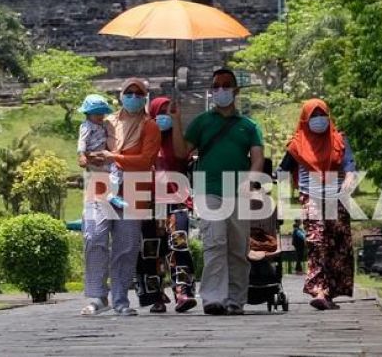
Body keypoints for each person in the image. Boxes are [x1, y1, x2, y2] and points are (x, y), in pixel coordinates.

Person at [172, 68, 264, 315]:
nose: (220, 90)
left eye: (226, 85)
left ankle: (235, 299)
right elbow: (182, 152)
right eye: (216, 86)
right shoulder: (202, 122)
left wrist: (252, 181)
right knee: (215, 243)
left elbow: (257, 157)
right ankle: (214, 298)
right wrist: (176, 121)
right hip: (208, 189)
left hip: (239, 191)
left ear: (236, 90)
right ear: (211, 91)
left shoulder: (249, 125)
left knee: (237, 247)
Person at [80, 77, 161, 317]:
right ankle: (97, 296)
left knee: (126, 246)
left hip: (134, 188)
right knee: (94, 236)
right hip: (102, 183)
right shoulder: (107, 121)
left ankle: (120, 299)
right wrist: (88, 157)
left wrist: (113, 157)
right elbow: (91, 146)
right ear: (121, 95)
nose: (133, 97)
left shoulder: (150, 126)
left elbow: (146, 159)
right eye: (129, 92)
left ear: (145, 97)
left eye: (139, 93)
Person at [279, 98, 358, 311]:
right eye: (313, 115)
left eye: (321, 114)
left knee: (336, 244)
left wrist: (349, 180)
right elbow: (282, 171)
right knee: (317, 240)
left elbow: (350, 164)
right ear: (304, 118)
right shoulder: (296, 145)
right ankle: (319, 290)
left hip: (336, 196)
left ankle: (330, 292)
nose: (318, 119)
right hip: (310, 195)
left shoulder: (339, 139)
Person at [134, 95, 198, 313]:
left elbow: (183, 154)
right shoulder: (144, 137)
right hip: (151, 202)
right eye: (160, 113)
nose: (164, 117)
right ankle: (156, 296)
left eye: (168, 112)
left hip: (177, 199)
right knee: (151, 251)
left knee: (178, 244)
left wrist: (177, 121)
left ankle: (183, 292)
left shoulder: (177, 138)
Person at [77, 94, 127, 209]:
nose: (100, 116)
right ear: (88, 114)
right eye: (96, 113)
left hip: (104, 156)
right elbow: (82, 142)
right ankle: (108, 197)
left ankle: (112, 195)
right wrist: (82, 155)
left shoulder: (103, 124)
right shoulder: (86, 127)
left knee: (118, 170)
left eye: (102, 113)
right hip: (92, 156)